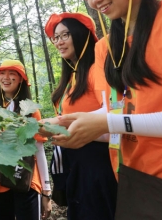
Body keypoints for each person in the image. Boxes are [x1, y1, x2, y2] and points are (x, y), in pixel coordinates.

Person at [46, 0, 162, 218]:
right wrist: (65, 126)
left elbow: (115, 120)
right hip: (130, 178)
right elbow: (117, 112)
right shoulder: (105, 47)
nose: (94, 0)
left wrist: (108, 121)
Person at [44, 13, 117, 219]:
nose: (59, 42)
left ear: (81, 34)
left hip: (98, 163)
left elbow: (111, 113)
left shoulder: (96, 70)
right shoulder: (72, 76)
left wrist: (58, 125)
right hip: (76, 163)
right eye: (55, 38)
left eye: (64, 35)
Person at [0, 60, 52, 220]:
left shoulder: (31, 111)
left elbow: (38, 150)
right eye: (2, 73)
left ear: (21, 79)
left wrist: (46, 189)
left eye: (12, 74)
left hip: (27, 180)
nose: (6, 77)